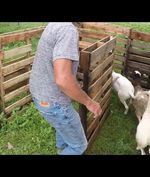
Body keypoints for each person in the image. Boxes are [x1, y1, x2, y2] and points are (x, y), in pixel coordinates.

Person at [29, 22, 102, 155]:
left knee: (63, 127)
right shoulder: (68, 30)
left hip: (40, 94)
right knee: (78, 146)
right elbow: (63, 79)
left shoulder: (55, 24)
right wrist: (89, 103)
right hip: (54, 102)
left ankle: (62, 150)